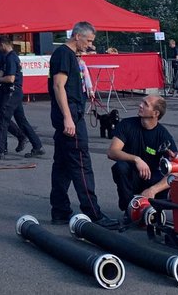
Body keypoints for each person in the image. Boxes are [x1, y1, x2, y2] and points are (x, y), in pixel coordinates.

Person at [48, 21, 119, 229]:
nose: (90, 45)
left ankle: (60, 210)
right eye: (88, 40)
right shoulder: (63, 54)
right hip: (70, 116)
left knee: (62, 165)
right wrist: (68, 118)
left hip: (69, 114)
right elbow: (58, 86)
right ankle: (94, 213)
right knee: (81, 164)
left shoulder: (71, 55)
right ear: (77, 36)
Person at [107, 95, 178, 217]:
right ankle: (129, 209)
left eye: (146, 104)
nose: (140, 105)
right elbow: (112, 152)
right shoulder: (127, 124)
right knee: (120, 167)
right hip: (133, 177)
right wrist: (136, 159)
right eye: (141, 102)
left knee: (174, 186)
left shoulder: (164, 136)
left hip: (152, 179)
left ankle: (153, 210)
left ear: (155, 113)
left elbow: (176, 172)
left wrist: (153, 190)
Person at [0, 35, 44, 160]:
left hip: (12, 91)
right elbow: (1, 73)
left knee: (2, 119)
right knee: (21, 121)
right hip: (13, 92)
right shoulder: (8, 56)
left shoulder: (10, 58)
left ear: (3, 44)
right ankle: (37, 146)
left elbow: (10, 78)